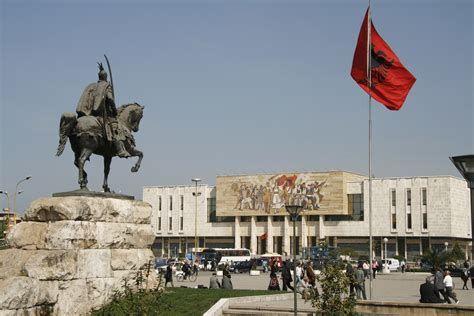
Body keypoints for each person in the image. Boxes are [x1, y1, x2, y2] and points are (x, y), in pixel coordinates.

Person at [75, 62, 130, 158]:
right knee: (115, 126)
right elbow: (110, 99)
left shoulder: (91, 86)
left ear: (99, 77)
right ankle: (120, 150)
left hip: (89, 113)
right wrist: (114, 110)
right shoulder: (106, 86)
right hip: (101, 114)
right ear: (105, 77)